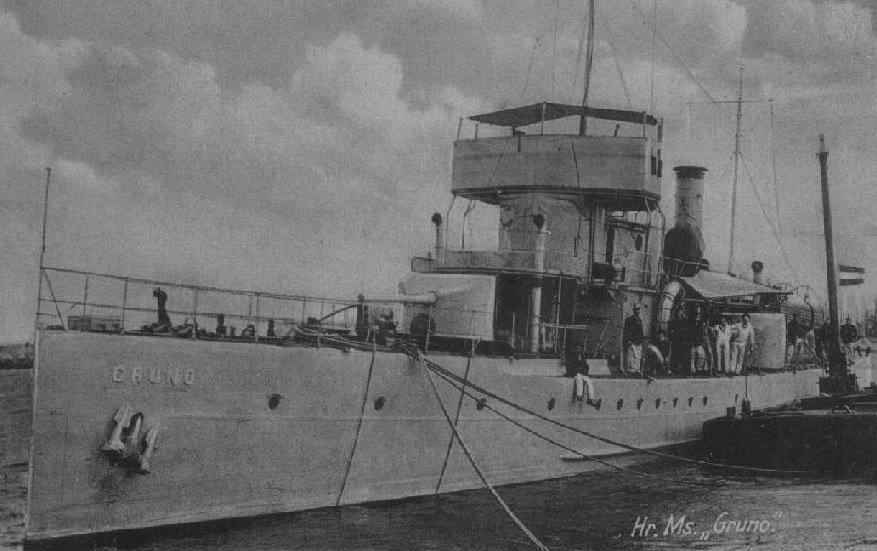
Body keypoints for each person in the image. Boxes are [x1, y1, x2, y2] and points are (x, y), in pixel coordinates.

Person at [623, 304, 645, 375]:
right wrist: (628, 340)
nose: (638, 311)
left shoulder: (640, 321)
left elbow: (641, 332)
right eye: (636, 309)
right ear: (634, 310)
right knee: (631, 357)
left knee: (638, 358)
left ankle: (637, 371)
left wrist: (642, 340)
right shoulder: (629, 320)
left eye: (639, 309)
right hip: (631, 341)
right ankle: (631, 371)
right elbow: (626, 331)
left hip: (638, 342)